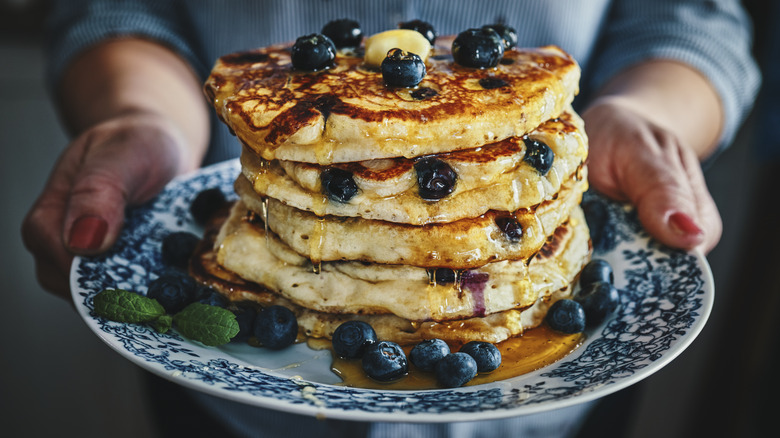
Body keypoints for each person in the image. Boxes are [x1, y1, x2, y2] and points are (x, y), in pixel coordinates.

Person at [22, 1, 759, 437]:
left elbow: (689, 17)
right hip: (233, 407)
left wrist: (642, 114)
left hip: (548, 418)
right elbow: (112, 7)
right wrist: (141, 115)